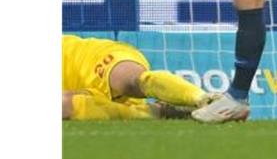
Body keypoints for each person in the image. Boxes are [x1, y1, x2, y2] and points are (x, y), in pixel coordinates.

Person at [62, 34, 216, 120]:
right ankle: (153, 112)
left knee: (129, 81)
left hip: (91, 58)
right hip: (82, 100)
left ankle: (206, 99)